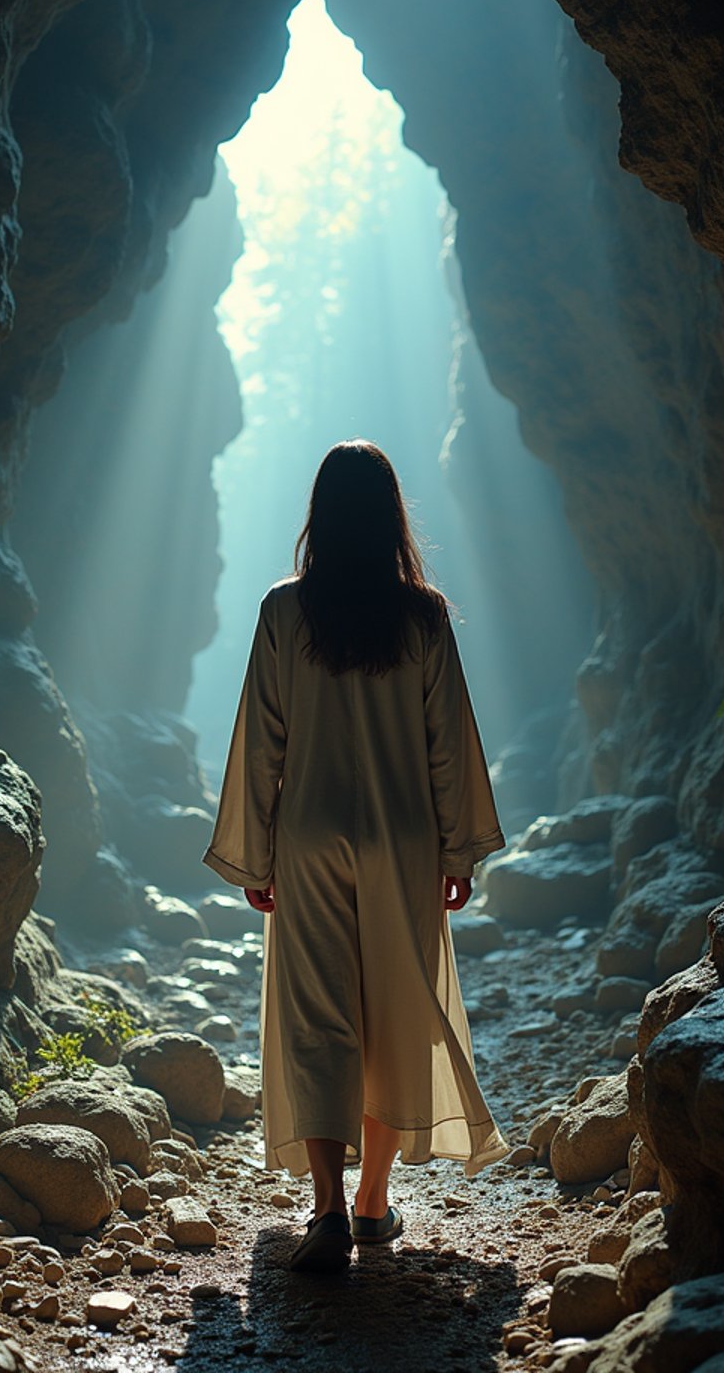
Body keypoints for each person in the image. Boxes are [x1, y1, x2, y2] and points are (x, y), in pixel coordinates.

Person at [202, 440, 510, 1272]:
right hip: (404, 840)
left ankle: (329, 1211)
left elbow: (261, 743)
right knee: (394, 1017)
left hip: (306, 838)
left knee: (320, 1020)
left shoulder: (282, 611)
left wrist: (254, 855)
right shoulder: (424, 617)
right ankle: (375, 1203)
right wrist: (459, 850)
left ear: (318, 517)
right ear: (392, 518)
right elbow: (448, 746)